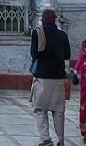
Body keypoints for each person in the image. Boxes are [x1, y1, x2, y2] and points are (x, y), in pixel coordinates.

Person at [30, 9, 72, 146]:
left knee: (40, 109)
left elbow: (34, 54)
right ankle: (61, 140)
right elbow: (67, 55)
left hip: (43, 76)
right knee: (58, 110)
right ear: (55, 19)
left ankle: (46, 139)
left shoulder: (38, 33)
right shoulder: (62, 35)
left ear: (42, 19)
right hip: (59, 77)